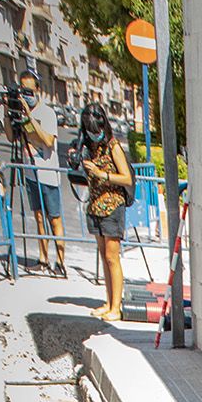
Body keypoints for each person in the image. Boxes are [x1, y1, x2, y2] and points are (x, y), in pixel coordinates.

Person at [78, 101, 131, 320]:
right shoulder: (89, 147)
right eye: (90, 132)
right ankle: (109, 302)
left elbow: (126, 177)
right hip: (96, 204)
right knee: (103, 256)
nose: (94, 135)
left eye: (97, 131)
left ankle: (116, 307)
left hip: (112, 205)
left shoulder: (113, 146)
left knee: (112, 257)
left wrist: (102, 174)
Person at [17, 69, 66, 276]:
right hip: (30, 172)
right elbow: (12, 137)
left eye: (30, 91)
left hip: (47, 173)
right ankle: (43, 259)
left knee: (54, 219)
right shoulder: (20, 112)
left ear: (37, 90)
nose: (27, 95)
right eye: (23, 91)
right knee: (38, 217)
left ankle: (60, 262)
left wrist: (30, 118)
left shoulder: (46, 113)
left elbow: (47, 141)